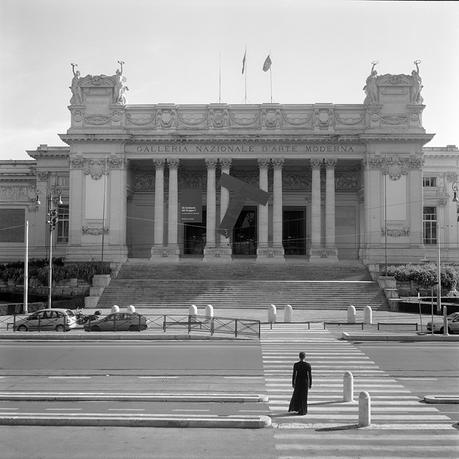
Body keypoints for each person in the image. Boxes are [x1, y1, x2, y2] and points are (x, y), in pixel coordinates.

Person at [288, 351, 312, 415]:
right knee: (304, 396)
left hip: (298, 382)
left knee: (297, 395)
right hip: (305, 382)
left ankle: (297, 408)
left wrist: (293, 383)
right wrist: (310, 384)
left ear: (299, 357)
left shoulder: (296, 365)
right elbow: (309, 375)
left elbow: (294, 375)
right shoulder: (308, 365)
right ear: (305, 357)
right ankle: (303, 410)